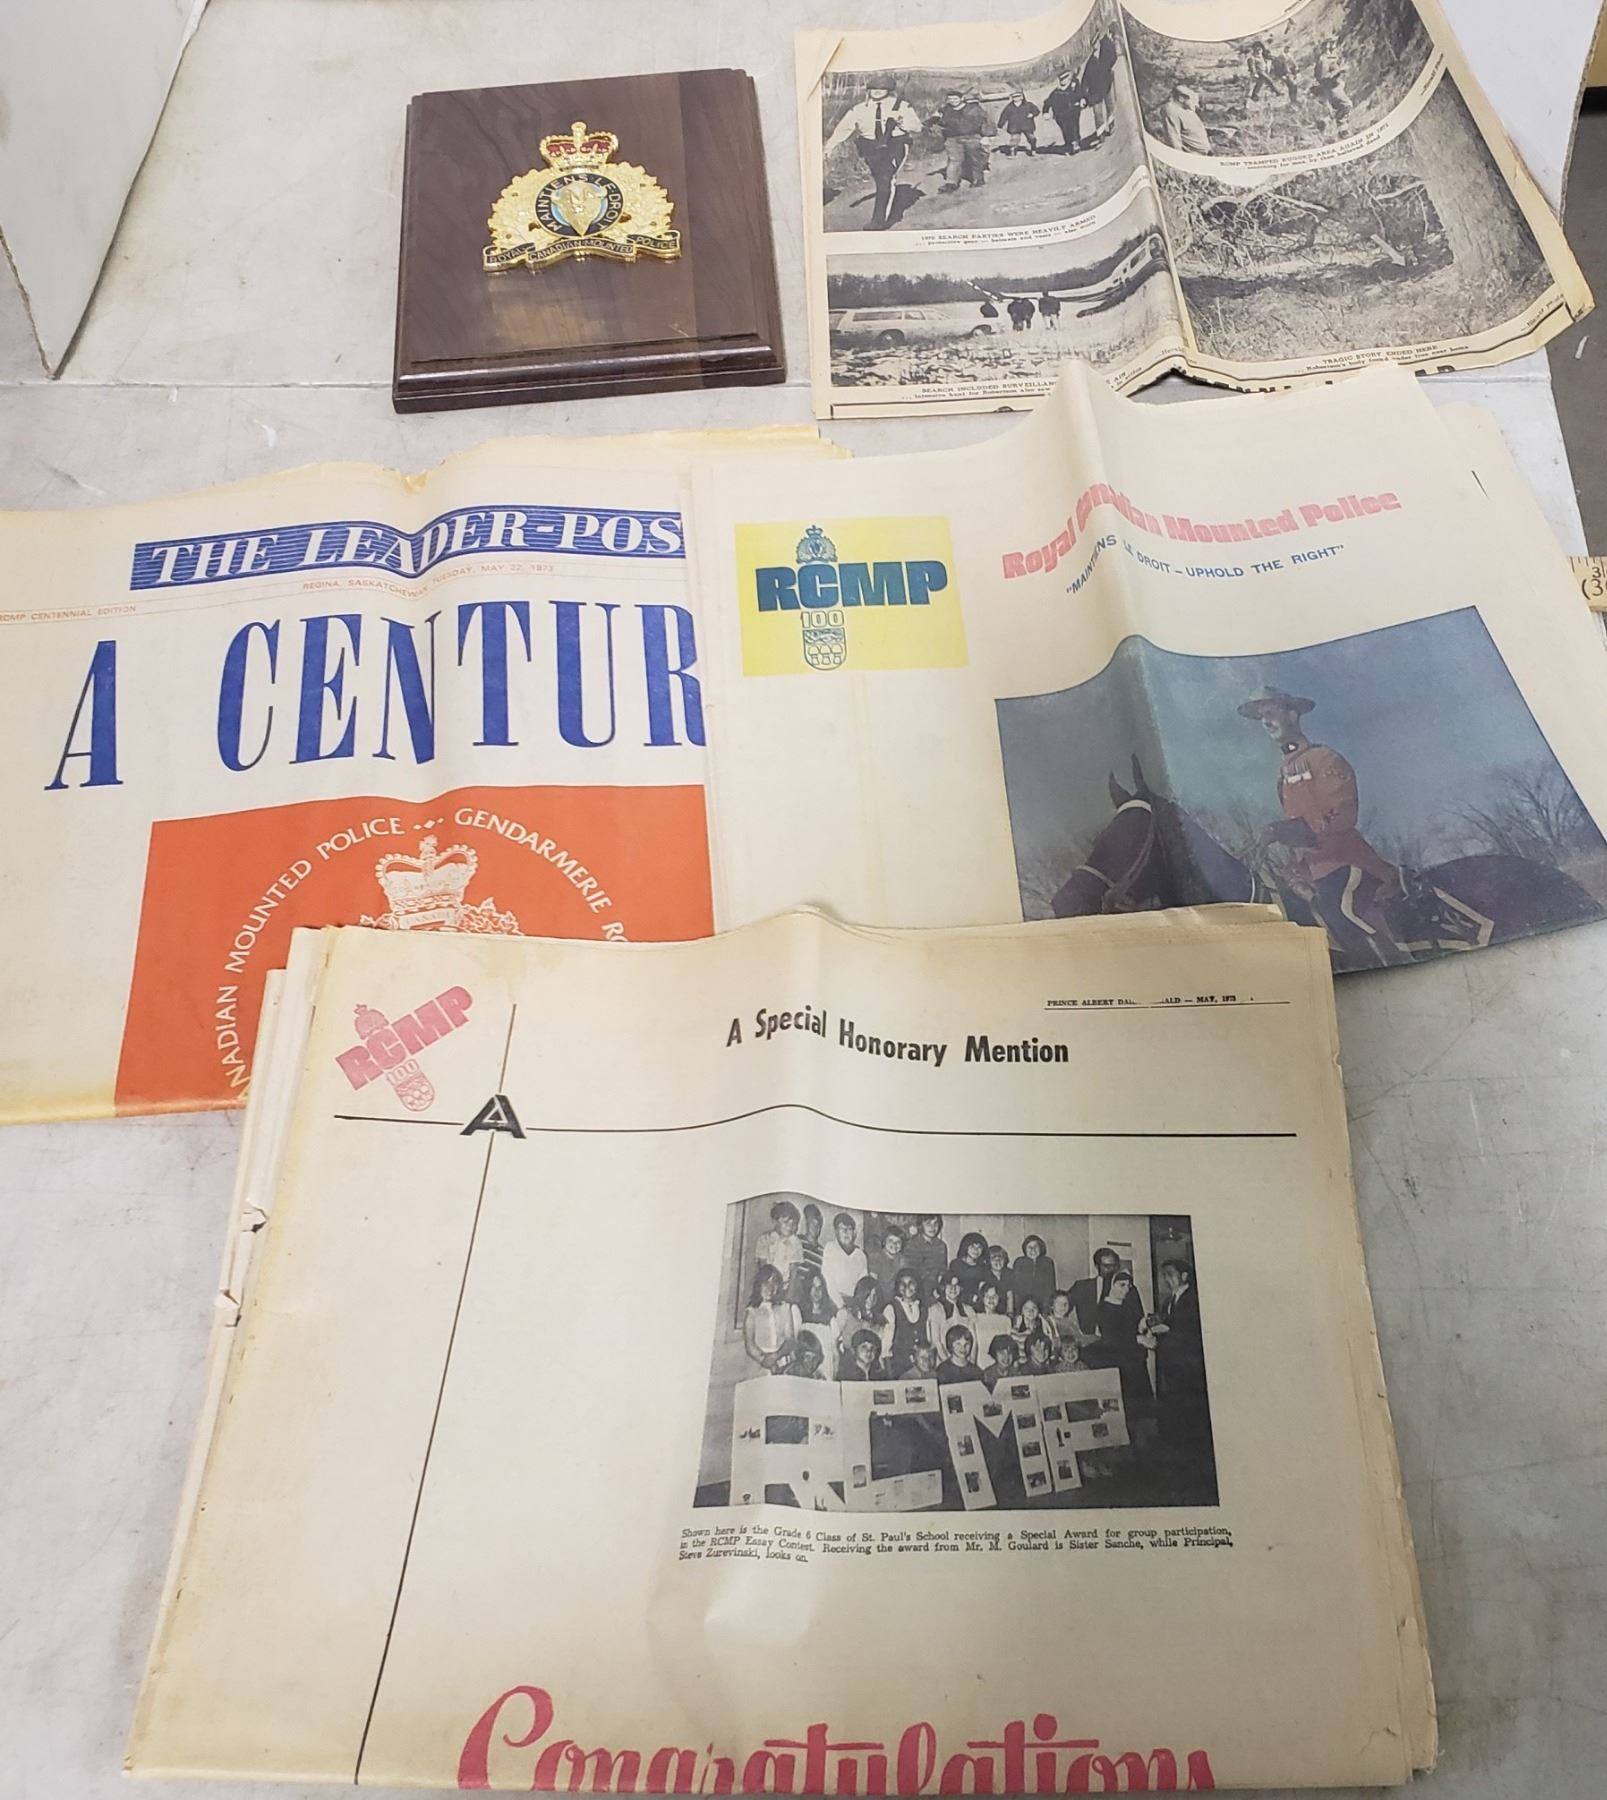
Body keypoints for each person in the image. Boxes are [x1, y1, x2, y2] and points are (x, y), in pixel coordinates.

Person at [1237, 687, 1408, 956]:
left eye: (1270, 713)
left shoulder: (1324, 758)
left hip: (1347, 863)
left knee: (1338, 911)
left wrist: (1280, 831)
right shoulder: (1284, 773)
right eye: (1261, 717)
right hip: (1314, 872)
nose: (1266, 722)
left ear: (1293, 715)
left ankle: (1392, 959)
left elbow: (1341, 816)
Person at [823, 76, 926, 231]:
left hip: (895, 145)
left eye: (882, 89)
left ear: (888, 90)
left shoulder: (903, 106)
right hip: (870, 147)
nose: (877, 91)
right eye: (873, 89)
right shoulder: (859, 109)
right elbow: (843, 129)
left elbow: (917, 127)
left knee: (886, 178)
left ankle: (879, 220)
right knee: (880, 179)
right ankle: (885, 206)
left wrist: (901, 123)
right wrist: (829, 146)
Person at [1150, 1260, 1210, 1447]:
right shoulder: (1169, 1301)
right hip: (1171, 1364)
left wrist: (1168, 1330)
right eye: (1164, 1275)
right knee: (1176, 1403)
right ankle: (1178, 1442)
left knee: (1191, 1407)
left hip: (1189, 1365)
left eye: (1170, 1274)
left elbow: (1195, 1331)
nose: (1166, 1279)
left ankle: (1192, 1444)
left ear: (1184, 1276)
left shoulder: (1194, 1299)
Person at [1095, 1269, 1156, 1417]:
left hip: (1135, 1363)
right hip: (1119, 1364)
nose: (1126, 1289)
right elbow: (1111, 1339)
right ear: (1110, 1286)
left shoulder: (1128, 1306)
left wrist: (1143, 1329)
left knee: (1142, 1412)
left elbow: (1131, 1330)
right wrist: (1138, 1339)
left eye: (1128, 1285)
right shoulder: (1104, 1308)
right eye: (1121, 1285)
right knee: (1127, 1411)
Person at [743, 1264, 802, 1373]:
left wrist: (775, 1357)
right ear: (759, 1286)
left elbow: (790, 1340)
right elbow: (750, 1345)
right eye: (766, 1283)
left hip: (783, 1362)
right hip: (760, 1365)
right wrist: (763, 1359)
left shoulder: (784, 1308)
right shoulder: (751, 1312)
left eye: (774, 1283)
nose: (770, 1288)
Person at [1070, 1247, 1137, 1340]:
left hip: (1118, 1342)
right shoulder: (1081, 1287)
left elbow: (1137, 1317)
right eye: (1107, 1266)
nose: (1112, 1269)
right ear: (1097, 1266)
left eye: (1114, 1266)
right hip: (1089, 1341)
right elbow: (1060, 1306)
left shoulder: (1128, 1288)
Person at [932, 88, 991, 191]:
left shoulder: (974, 109)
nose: (953, 101)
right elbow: (940, 121)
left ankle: (978, 179)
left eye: (955, 99)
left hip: (971, 137)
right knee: (954, 160)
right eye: (950, 99)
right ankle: (951, 183)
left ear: (962, 98)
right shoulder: (945, 110)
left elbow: (985, 122)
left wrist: (986, 136)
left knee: (975, 159)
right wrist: (933, 120)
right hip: (952, 138)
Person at [834, 1275, 887, 1378]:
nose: (871, 1300)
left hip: (870, 1366)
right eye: (868, 1295)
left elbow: (880, 1353)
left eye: (874, 1296)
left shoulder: (879, 1321)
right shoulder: (846, 1314)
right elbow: (834, 1343)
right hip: (848, 1365)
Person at [880, 1269, 929, 1374]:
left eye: (911, 1283)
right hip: (899, 1364)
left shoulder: (922, 1308)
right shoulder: (891, 1308)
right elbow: (886, 1342)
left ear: (917, 1286)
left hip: (921, 1364)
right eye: (902, 1283)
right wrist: (887, 1364)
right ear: (898, 1287)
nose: (907, 1287)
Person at [754, 1199, 806, 1292]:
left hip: (786, 1287)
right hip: (767, 1283)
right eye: (786, 1222)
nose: (790, 1227)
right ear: (775, 1222)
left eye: (794, 1224)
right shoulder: (765, 1239)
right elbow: (763, 1268)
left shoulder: (795, 1242)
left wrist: (789, 1294)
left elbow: (794, 1273)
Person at [822, 1210, 870, 1308]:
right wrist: (841, 1306)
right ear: (836, 1232)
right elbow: (829, 1282)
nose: (846, 1232)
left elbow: (863, 1285)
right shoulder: (830, 1248)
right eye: (842, 1229)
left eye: (849, 1229)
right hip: (834, 1302)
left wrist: (857, 1305)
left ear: (854, 1233)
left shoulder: (860, 1255)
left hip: (855, 1302)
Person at [1079, 32, 1121, 140]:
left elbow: (1113, 58)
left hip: (1106, 85)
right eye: (1093, 45)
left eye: (1096, 43)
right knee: (1098, 114)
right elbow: (1084, 81)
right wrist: (1083, 96)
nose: (1095, 46)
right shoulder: (1090, 63)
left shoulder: (1106, 53)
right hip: (1095, 92)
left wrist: (1111, 41)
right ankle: (1101, 135)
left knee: (1110, 106)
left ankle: (1111, 125)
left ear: (1099, 42)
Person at [927, 1269, 973, 1352]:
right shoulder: (935, 1310)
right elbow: (936, 1342)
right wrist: (946, 1360)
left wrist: (972, 1359)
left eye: (956, 1285)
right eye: (949, 1285)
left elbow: (974, 1340)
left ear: (961, 1288)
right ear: (943, 1287)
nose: (953, 1288)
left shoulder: (968, 1310)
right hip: (943, 1357)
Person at [1158, 84, 1213, 154]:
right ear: (1181, 98)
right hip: (1191, 155)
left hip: (1203, 154)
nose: (1196, 105)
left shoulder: (1188, 110)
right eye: (1193, 101)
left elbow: (1195, 130)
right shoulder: (1171, 110)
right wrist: (1181, 156)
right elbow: (1173, 138)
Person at [1313, 37, 1353, 130]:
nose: (1333, 46)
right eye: (1331, 44)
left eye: (1334, 43)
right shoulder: (1324, 59)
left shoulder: (1331, 57)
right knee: (1347, 105)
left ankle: (1327, 122)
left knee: (1341, 107)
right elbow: (1323, 77)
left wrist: (1341, 68)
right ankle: (1339, 127)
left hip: (1336, 85)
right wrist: (1340, 70)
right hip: (1331, 88)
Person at [905, 1214, 949, 1296]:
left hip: (936, 1289)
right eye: (928, 1224)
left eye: (936, 1224)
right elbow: (912, 1271)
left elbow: (943, 1270)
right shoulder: (912, 1244)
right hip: (916, 1288)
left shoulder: (941, 1245)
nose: (932, 1227)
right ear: (921, 1225)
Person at [1011, 1234, 1057, 1312]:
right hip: (1023, 1304)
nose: (1033, 1250)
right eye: (1029, 1247)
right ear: (1025, 1249)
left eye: (1036, 1247)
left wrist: (1047, 1308)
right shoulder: (1019, 1262)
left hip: (1043, 1304)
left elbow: (1050, 1288)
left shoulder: (1047, 1262)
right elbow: (1016, 1288)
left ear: (1041, 1248)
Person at [1045, 69, 1084, 152]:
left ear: (1069, 78)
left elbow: (1080, 93)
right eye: (1061, 79)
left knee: (1073, 126)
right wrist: (1045, 112)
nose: (1063, 80)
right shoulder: (1056, 92)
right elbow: (1048, 102)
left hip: (1073, 111)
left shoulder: (1074, 87)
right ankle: (1069, 143)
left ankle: (1075, 142)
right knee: (1065, 129)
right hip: (1060, 115)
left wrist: (1081, 99)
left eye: (1065, 78)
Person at [947, 1231, 990, 1302]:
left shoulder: (983, 1268)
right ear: (966, 1247)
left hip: (975, 1300)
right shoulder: (956, 1264)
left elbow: (983, 1288)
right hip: (957, 1299)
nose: (976, 1250)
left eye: (979, 1247)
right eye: (972, 1246)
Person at [869, 1221, 908, 1295]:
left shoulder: (902, 1260)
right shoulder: (876, 1258)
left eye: (898, 1242)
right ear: (884, 1242)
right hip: (879, 1295)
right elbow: (873, 1282)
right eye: (890, 1241)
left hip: (896, 1296)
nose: (894, 1244)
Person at [1014, 1296, 1056, 1363]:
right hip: (1023, 1365)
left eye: (1034, 1308)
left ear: (1039, 1310)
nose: (1030, 1311)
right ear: (1022, 1311)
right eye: (1026, 1308)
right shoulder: (1016, 1329)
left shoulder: (1045, 1326)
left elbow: (1052, 1349)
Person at [998, 87, 1040, 154]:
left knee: (1031, 138)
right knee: (1014, 139)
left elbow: (1036, 110)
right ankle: (1012, 151)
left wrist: (1032, 114)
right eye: (1014, 97)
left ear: (1022, 97)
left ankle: (1033, 149)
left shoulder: (1028, 105)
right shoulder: (1009, 107)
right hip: (1014, 126)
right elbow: (1004, 116)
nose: (1016, 98)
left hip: (1027, 125)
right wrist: (1000, 124)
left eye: (1018, 96)